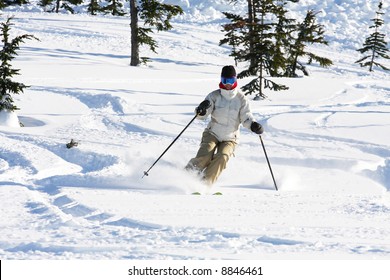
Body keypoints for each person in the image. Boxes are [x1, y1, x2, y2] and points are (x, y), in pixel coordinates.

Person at [185, 65, 264, 186]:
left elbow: (246, 117)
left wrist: (253, 125)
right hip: (213, 133)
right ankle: (185, 176)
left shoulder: (241, 99)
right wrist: (201, 110)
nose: (228, 84)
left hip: (231, 137)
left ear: (235, 80)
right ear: (221, 80)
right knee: (205, 156)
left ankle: (204, 184)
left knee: (223, 156)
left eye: (231, 80)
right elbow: (202, 116)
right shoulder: (214, 96)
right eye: (225, 81)